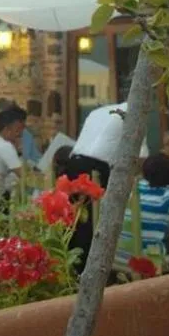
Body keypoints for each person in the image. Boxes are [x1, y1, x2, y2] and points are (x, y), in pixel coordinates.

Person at [61, 103, 126, 273]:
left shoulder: (98, 111)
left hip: (74, 161)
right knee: (91, 222)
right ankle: (87, 270)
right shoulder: (131, 113)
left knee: (75, 219)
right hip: (95, 167)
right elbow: (140, 156)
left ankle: (72, 266)